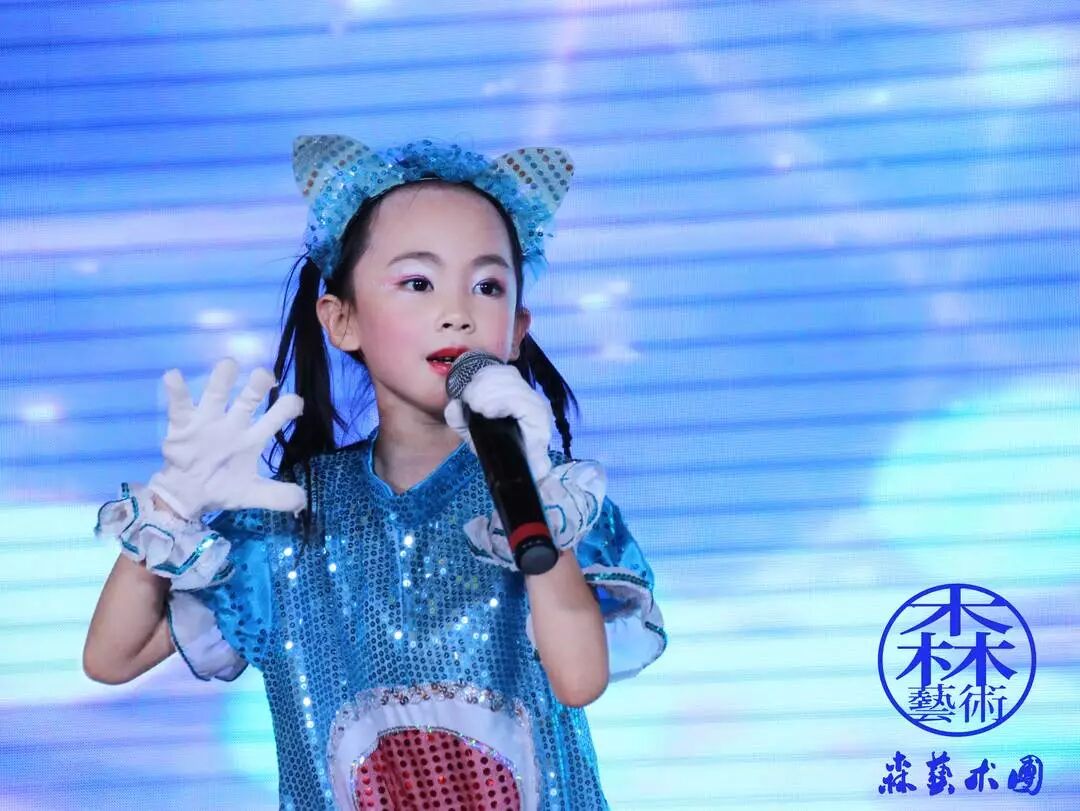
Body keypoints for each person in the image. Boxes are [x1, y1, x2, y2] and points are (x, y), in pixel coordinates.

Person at [84, 137, 667, 810]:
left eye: (488, 286)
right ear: (342, 319)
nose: (457, 312)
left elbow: (578, 678)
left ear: (516, 331)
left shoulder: (557, 501)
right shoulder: (290, 518)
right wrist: (171, 504)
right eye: (418, 282)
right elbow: (111, 658)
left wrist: (534, 502)